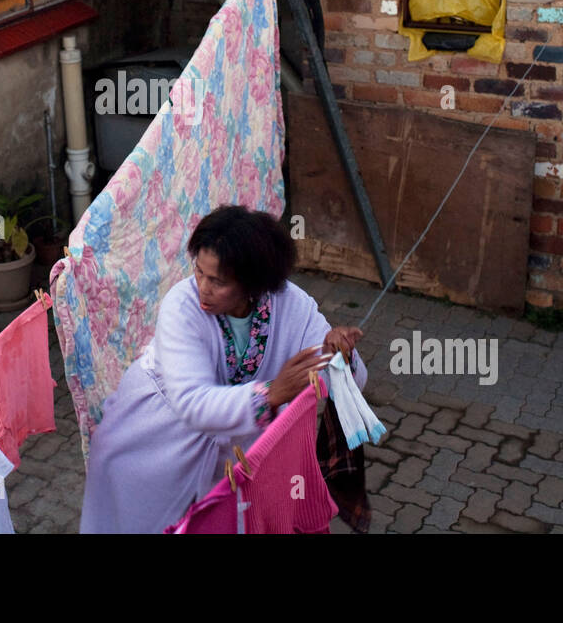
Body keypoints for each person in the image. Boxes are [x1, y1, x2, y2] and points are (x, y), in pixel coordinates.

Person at [79, 205, 367, 533]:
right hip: (152, 446)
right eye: (199, 272)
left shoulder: (291, 305)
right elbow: (192, 403)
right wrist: (271, 394)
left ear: (253, 285)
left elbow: (351, 382)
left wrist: (340, 354)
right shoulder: (181, 306)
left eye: (218, 281)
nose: (203, 287)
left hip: (235, 453)